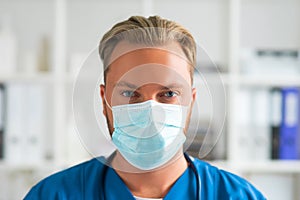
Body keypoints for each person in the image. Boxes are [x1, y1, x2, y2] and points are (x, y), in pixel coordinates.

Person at [24, 15, 266, 200]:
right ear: (104, 99)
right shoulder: (53, 195)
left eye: (168, 94)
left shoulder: (238, 196)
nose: (150, 110)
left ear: (191, 101)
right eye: (130, 93)